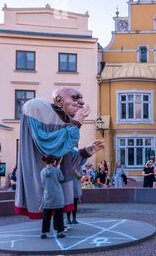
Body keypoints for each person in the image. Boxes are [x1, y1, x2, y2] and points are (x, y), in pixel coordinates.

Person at [15, 87, 104, 219]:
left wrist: (85, 152)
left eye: (81, 99)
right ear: (59, 100)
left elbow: (66, 159)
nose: (80, 103)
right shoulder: (37, 107)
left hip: (57, 192)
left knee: (57, 215)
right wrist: (76, 122)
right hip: (46, 190)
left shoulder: (67, 123)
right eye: (75, 98)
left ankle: (56, 228)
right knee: (50, 213)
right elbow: (48, 145)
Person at [40, 155, 66, 239]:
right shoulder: (57, 170)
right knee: (58, 214)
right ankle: (60, 232)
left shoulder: (42, 171)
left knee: (46, 215)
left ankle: (44, 233)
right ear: (54, 161)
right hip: (57, 194)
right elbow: (62, 179)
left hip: (47, 194)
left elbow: (43, 183)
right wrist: (58, 169)